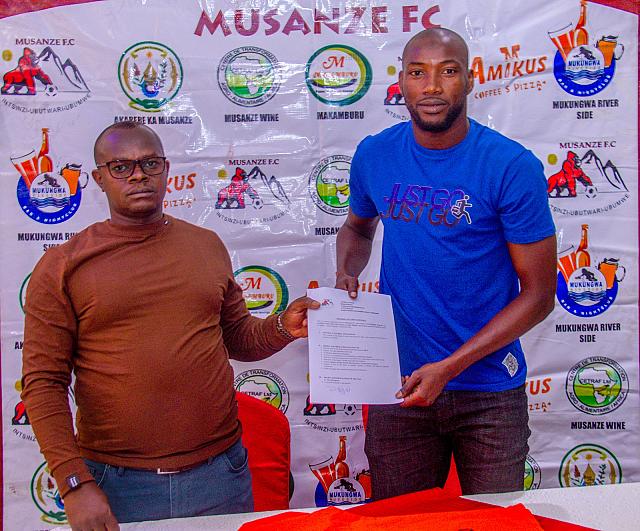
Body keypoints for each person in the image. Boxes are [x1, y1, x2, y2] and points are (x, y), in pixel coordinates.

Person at [21, 122, 320, 529]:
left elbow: (238, 338)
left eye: (150, 163)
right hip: (117, 484)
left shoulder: (206, 245)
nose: (138, 175)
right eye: (121, 167)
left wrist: (283, 326)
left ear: (165, 169)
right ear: (99, 178)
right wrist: (74, 484)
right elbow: (43, 382)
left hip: (221, 475)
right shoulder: (63, 265)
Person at [335, 28, 556, 498]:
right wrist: (346, 272)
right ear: (401, 81)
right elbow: (357, 228)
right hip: (400, 386)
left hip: (489, 394)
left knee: (495, 525)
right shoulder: (375, 154)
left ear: (470, 79)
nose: (431, 86)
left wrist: (450, 367)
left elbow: (539, 296)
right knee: (400, 525)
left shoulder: (511, 166)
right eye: (418, 73)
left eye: (447, 71)